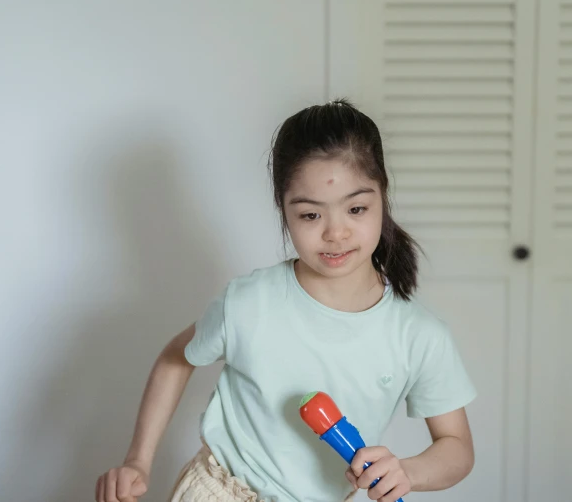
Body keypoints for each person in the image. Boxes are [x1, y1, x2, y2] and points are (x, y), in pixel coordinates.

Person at [95, 99, 477, 502]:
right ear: (284, 211)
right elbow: (177, 358)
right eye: (311, 215)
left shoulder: (419, 335)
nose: (336, 232)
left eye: (357, 208)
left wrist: (408, 471)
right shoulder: (247, 303)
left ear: (383, 197)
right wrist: (138, 460)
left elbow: (457, 447)